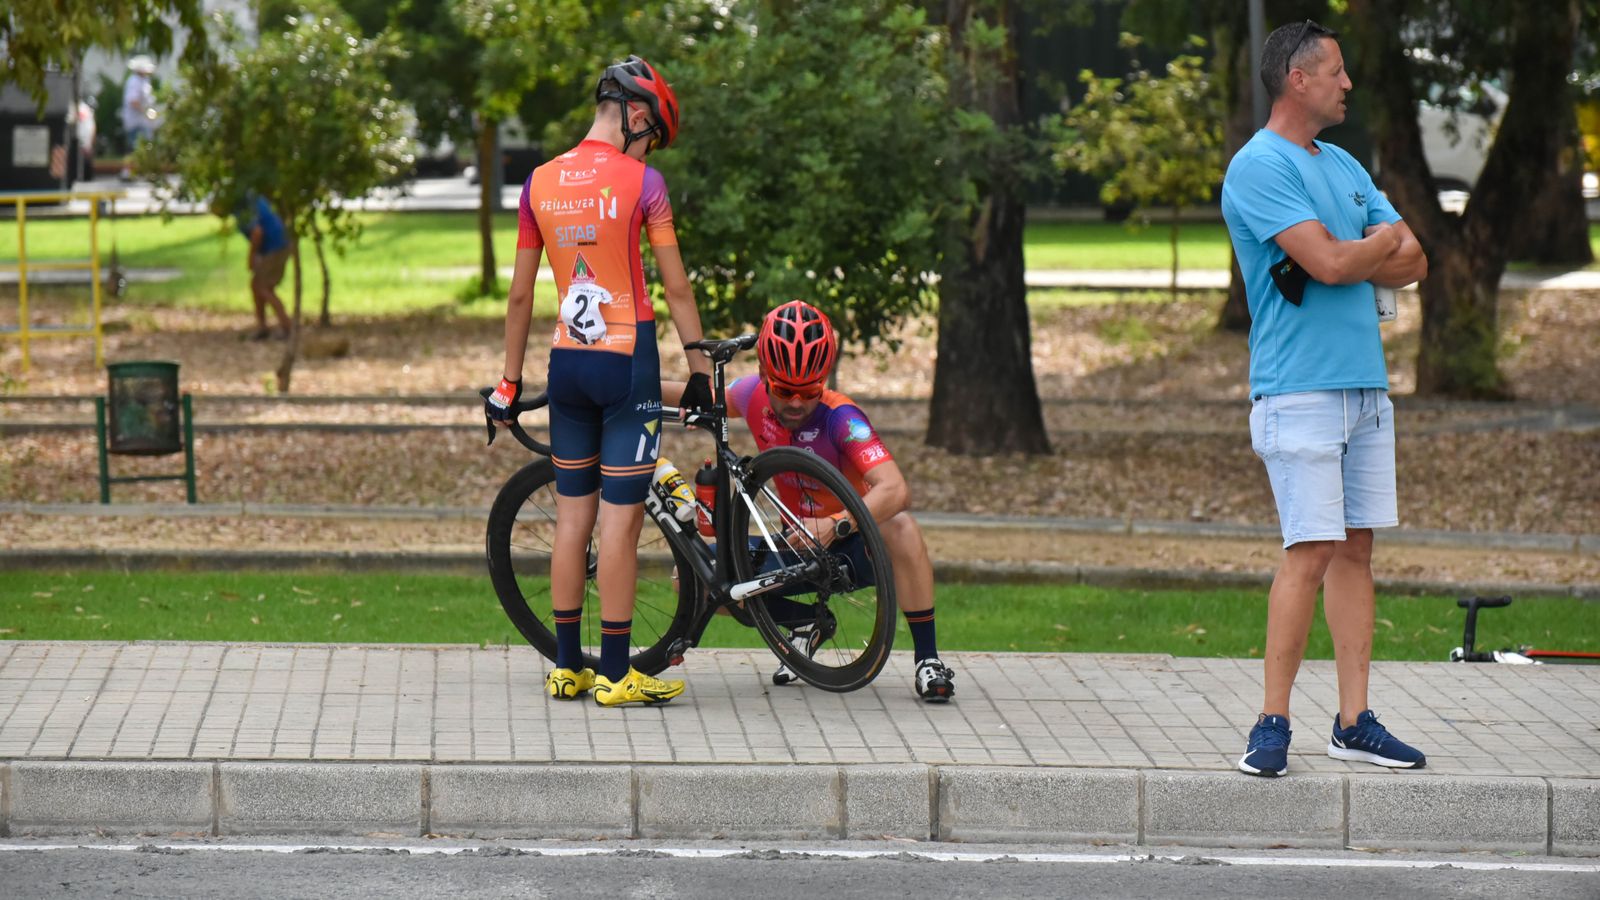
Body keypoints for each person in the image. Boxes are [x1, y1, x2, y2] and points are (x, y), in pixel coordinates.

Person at [1220, 20, 1429, 777]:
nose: (1348, 84)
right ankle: (1271, 723)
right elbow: (1343, 261)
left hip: (1365, 391)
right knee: (1308, 552)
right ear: (1297, 81)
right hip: (1298, 391)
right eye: (1335, 72)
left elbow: (1417, 261)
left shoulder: (1340, 161)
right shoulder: (1258, 167)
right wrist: (1371, 248)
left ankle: (1354, 722)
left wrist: (1361, 255)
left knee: (1357, 550)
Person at [485, 56, 713, 708]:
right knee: (620, 520)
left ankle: (566, 668)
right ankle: (615, 672)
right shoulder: (644, 184)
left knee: (571, 521)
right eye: (652, 135)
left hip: (568, 366)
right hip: (625, 365)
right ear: (638, 114)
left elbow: (521, 297)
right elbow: (675, 287)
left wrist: (507, 384)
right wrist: (698, 372)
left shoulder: (539, 182)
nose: (650, 148)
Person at [665, 301, 956, 702]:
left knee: (902, 526)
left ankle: (928, 660)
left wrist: (837, 522)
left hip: (850, 547)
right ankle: (808, 623)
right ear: (765, 375)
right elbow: (696, 396)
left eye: (809, 391)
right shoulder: (751, 395)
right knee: (691, 580)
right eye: (784, 391)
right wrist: (625, 382)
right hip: (796, 547)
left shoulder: (842, 418)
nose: (797, 404)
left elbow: (895, 488)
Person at [232, 194, 293, 341]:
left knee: (262, 287)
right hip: (277, 245)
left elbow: (257, 232)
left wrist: (251, 256)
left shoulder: (242, 207)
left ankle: (287, 327)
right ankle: (263, 327)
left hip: (277, 246)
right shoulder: (251, 198)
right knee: (258, 285)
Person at [120, 55, 157, 179]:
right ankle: (128, 172)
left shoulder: (144, 81)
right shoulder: (134, 82)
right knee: (133, 147)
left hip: (142, 121)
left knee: (145, 146)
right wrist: (145, 111)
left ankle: (142, 171)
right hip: (135, 121)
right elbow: (133, 101)